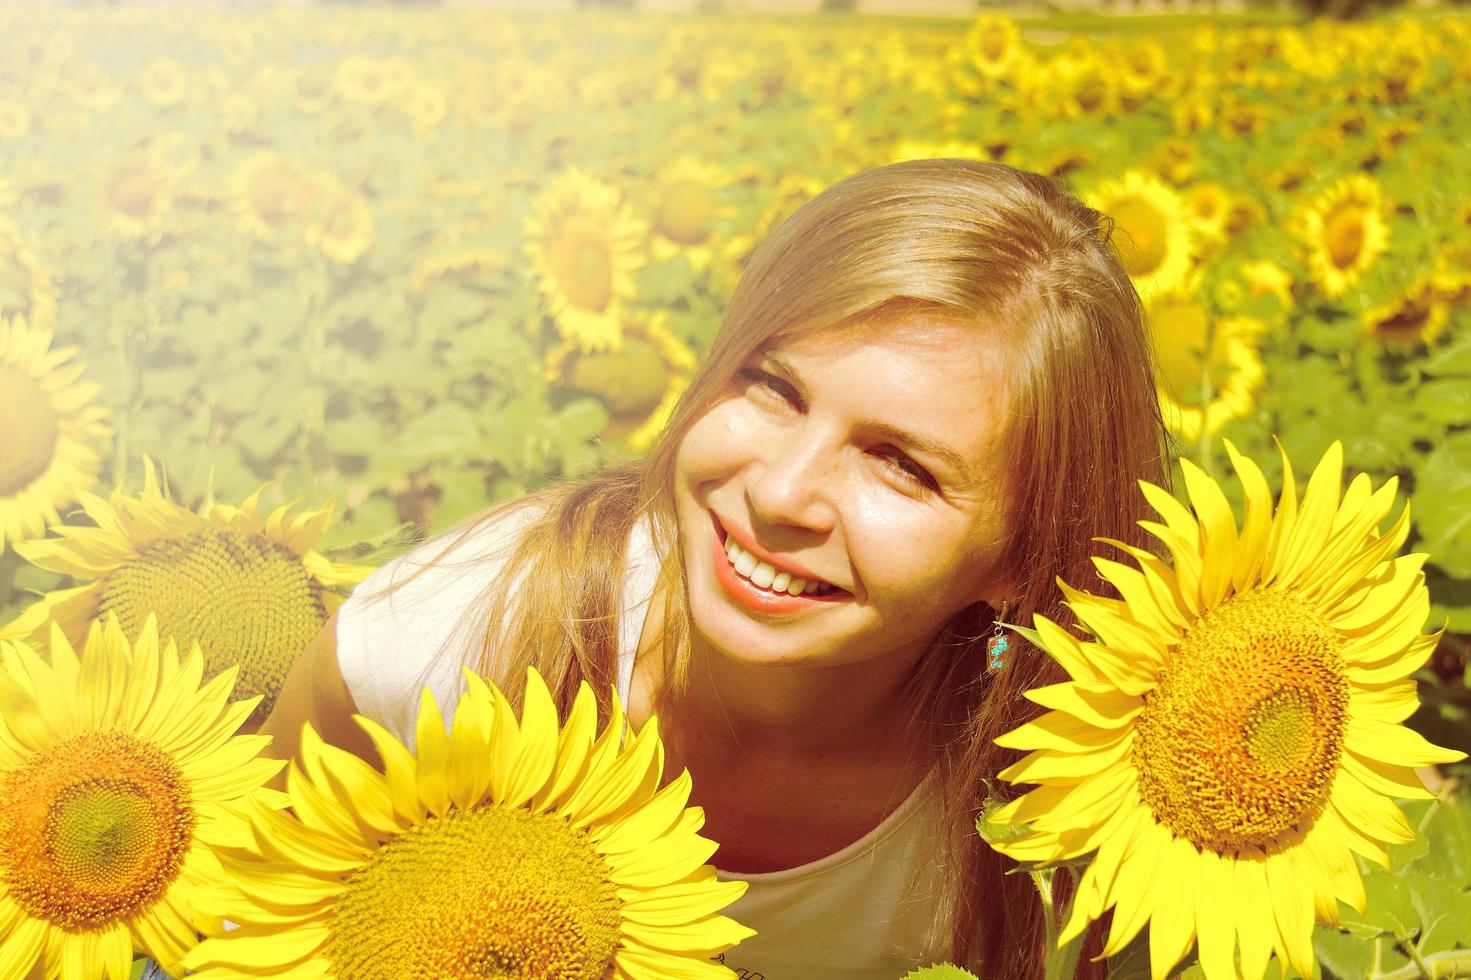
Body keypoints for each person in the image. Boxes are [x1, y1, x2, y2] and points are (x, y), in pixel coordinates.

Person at [262, 158, 1169, 979]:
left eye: (901, 464)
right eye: (773, 387)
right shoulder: (449, 639)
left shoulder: (1058, 826)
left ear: (1019, 559)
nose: (781, 492)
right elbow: (242, 912)